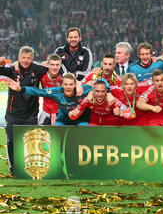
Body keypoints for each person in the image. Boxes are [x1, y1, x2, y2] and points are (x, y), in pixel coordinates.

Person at [0, 46, 48, 175]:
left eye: (28, 58)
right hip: (13, 114)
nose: (26, 60)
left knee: (32, 142)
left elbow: (55, 69)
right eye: (23, 58)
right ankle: (13, 169)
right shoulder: (12, 70)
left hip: (31, 115)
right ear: (19, 58)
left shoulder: (37, 70)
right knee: (10, 141)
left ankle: (30, 168)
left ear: (32, 59)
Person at [6, 73, 93, 126]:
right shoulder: (57, 91)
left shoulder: (83, 90)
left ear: (75, 85)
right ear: (62, 85)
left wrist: (94, 93)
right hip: (62, 121)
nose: (68, 87)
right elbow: (39, 92)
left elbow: (102, 83)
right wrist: (20, 89)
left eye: (71, 84)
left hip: (81, 121)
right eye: (66, 84)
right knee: (56, 137)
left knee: (85, 130)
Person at [39, 54, 64, 125]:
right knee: (41, 134)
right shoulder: (42, 75)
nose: (55, 67)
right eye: (52, 64)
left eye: (57, 65)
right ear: (48, 65)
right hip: (46, 112)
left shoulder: (64, 78)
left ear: (60, 66)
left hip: (61, 113)